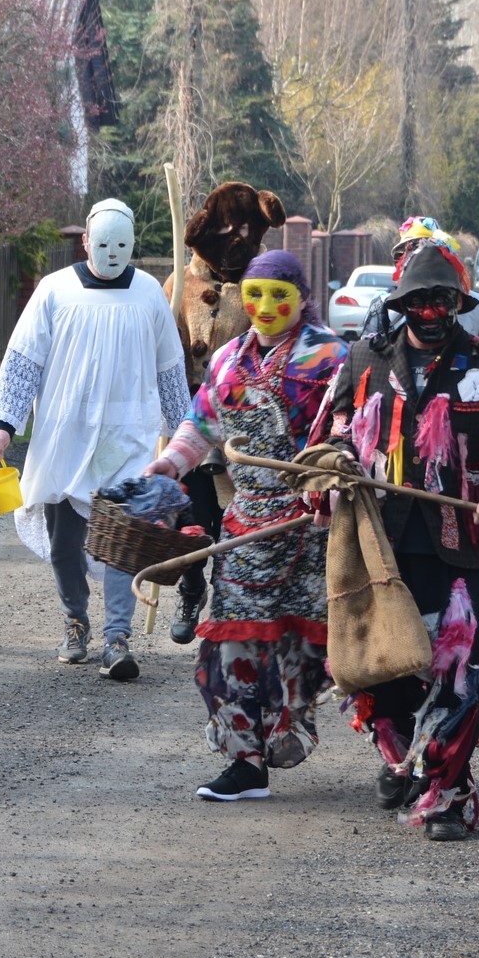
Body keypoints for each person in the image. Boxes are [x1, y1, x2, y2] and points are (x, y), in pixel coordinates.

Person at [315, 241, 479, 840]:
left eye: (442, 299)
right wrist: (331, 477)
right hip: (380, 547)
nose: (430, 311)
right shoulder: (364, 360)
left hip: (463, 547)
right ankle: (402, 758)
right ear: (401, 304)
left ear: (458, 302)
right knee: (385, 668)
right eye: (418, 300)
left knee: (462, 669)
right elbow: (333, 439)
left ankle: (449, 791)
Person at [145, 250, 348, 801]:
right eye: (254, 294)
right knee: (230, 639)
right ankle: (245, 760)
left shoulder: (331, 357)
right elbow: (203, 422)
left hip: (313, 527)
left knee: (303, 645)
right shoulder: (230, 357)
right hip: (247, 524)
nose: (263, 307)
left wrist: (333, 479)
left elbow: (354, 436)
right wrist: (172, 463)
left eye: (277, 296)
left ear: (302, 298)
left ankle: (292, 722)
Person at [0, 198, 188, 681]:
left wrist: (183, 434)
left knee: (123, 540)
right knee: (64, 543)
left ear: (133, 244)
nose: (113, 252)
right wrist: (5, 425)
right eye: (104, 244)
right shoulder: (54, 291)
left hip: (126, 438)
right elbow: (23, 361)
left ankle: (117, 639)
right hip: (65, 435)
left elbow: (170, 368)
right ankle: (76, 620)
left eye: (122, 244)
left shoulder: (148, 295)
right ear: (85, 243)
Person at [162, 182, 288, 645]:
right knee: (192, 514)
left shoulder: (258, 289)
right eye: (227, 228)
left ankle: (224, 594)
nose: (236, 238)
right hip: (190, 416)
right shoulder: (179, 283)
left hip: (241, 423)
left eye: (245, 229)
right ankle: (191, 587)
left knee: (234, 516)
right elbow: (165, 353)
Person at [362, 216, 479, 345]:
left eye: (425, 250)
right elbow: (368, 359)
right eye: (402, 255)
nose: (412, 260)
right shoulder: (382, 307)